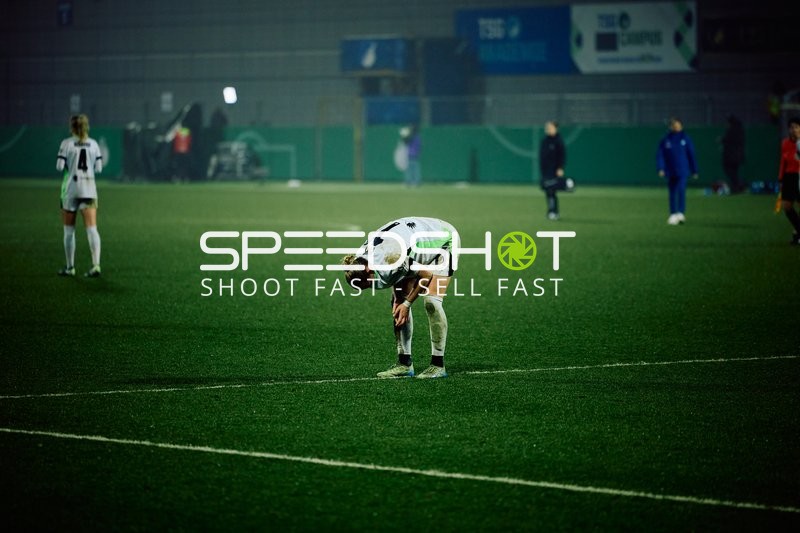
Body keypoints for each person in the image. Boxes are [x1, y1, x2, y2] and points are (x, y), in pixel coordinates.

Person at [342, 216, 455, 379]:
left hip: (443, 240)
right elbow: (397, 275)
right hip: (413, 247)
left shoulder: (391, 258)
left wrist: (408, 303)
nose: (369, 288)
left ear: (368, 271)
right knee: (397, 302)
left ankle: (438, 365)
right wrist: (400, 301)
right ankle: (404, 364)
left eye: (367, 285)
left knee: (431, 302)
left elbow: (426, 275)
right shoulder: (358, 259)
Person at [56, 114, 103, 277]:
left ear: (72, 127)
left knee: (69, 230)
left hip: (71, 190)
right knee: (92, 229)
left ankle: (70, 268)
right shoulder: (94, 144)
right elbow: (99, 168)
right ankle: (96, 265)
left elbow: (59, 166)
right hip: (89, 189)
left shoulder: (66, 143)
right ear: (86, 126)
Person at [657, 117, 698, 225]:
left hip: (682, 170)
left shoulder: (685, 139)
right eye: (674, 125)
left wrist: (694, 170)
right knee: (672, 192)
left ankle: (681, 213)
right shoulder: (666, 139)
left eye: (678, 125)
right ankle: (673, 213)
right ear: (670, 126)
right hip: (670, 170)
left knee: (681, 190)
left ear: (681, 126)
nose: (676, 127)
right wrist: (661, 168)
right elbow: (660, 155)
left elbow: (691, 155)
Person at [777, 116, 800, 245]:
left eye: (796, 127)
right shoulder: (785, 143)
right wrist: (780, 178)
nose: (793, 130)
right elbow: (783, 162)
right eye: (791, 127)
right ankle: (798, 232)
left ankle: (797, 235)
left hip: (799, 176)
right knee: (786, 206)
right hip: (789, 177)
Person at [539, 121, 566, 220]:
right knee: (548, 191)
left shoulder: (558, 141)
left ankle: (554, 211)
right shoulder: (545, 141)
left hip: (554, 171)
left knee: (552, 191)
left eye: (550, 127)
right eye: (547, 127)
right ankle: (551, 211)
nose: (548, 129)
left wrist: (560, 168)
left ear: (555, 128)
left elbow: (562, 156)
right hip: (545, 171)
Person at [721, 114, 746, 193]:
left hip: (731, 156)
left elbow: (728, 140)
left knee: (731, 172)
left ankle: (736, 187)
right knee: (734, 172)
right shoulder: (740, 130)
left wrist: (722, 140)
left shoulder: (731, 130)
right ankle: (738, 186)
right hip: (738, 156)